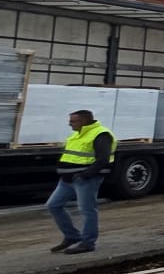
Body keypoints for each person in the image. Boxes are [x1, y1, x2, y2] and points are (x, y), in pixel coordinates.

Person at [48, 108, 114, 254]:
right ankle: (72, 236)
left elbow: (103, 159)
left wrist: (86, 175)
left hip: (85, 180)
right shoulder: (77, 134)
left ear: (84, 121)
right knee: (53, 205)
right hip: (67, 179)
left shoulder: (101, 134)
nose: (70, 124)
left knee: (87, 210)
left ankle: (88, 243)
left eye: (73, 121)